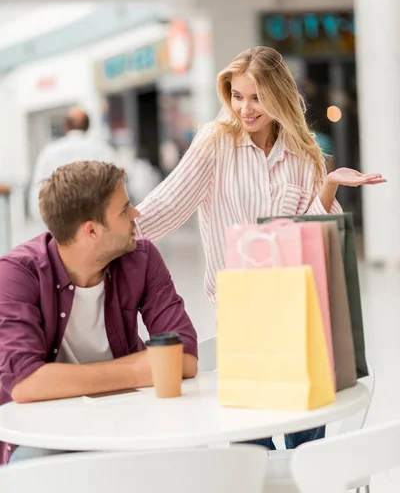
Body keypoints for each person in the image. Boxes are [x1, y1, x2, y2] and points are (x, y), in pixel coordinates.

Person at [135, 46, 386, 449]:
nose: (245, 108)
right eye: (237, 96)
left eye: (257, 97)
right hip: (240, 313)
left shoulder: (303, 153)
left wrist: (328, 185)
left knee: (307, 439)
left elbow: (308, 233)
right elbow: (169, 202)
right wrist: (115, 232)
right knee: (251, 441)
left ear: (279, 95)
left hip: (299, 311)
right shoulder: (216, 142)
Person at [0, 161, 198, 465]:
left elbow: (184, 357)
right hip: (48, 429)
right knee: (30, 462)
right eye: (124, 210)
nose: (137, 214)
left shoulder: (142, 258)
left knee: (191, 457)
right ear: (91, 230)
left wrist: (59, 380)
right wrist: (138, 370)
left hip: (128, 417)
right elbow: (27, 384)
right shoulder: (17, 274)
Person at [29, 107, 117, 219]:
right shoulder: (103, 150)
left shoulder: (49, 153)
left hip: (59, 224)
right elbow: (117, 186)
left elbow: (37, 195)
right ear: (88, 126)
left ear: (65, 126)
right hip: (96, 222)